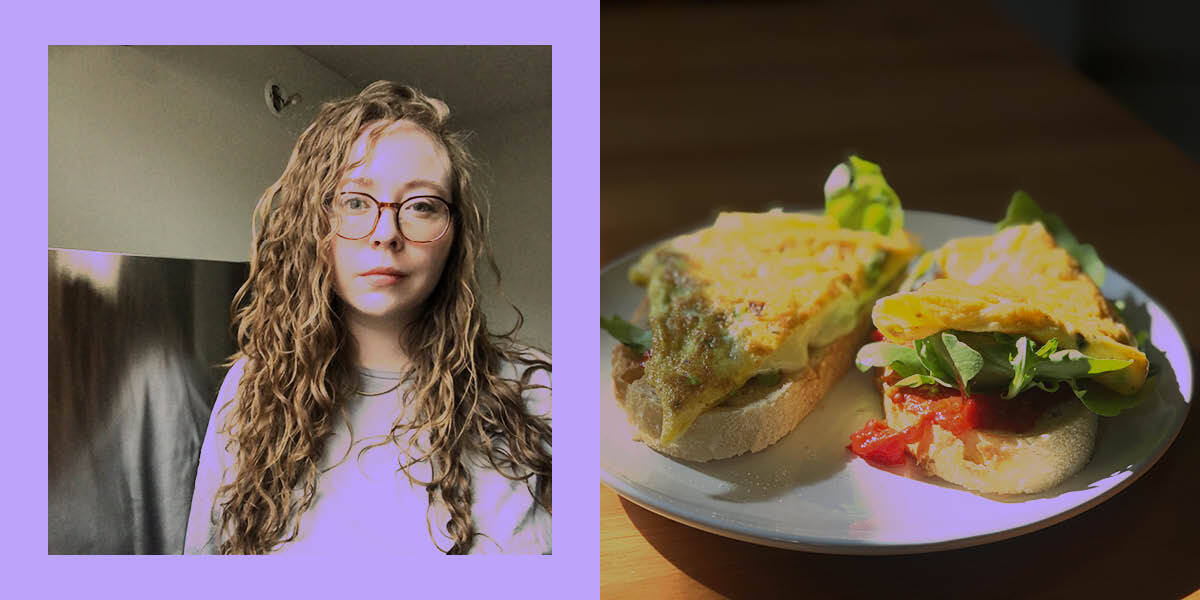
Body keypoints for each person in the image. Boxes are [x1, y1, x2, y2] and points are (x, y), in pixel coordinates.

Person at [184, 81, 551, 555]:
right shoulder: (252, 387)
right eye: (355, 201)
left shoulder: (540, 398)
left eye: (421, 206)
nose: (385, 233)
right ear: (315, 224)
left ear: (455, 235)